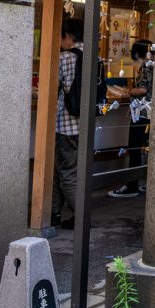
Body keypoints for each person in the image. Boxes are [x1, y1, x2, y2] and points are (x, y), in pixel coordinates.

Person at [51, 20, 85, 230]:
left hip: (66, 126)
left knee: (67, 174)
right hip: (86, 127)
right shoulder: (95, 59)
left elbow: (51, 88)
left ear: (67, 36)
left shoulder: (64, 58)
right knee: (61, 170)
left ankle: (81, 217)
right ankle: (53, 213)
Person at [109, 39, 152, 199]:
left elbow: (143, 89)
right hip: (148, 113)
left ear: (135, 54)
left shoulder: (146, 67)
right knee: (145, 147)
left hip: (141, 114)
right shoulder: (154, 66)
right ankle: (144, 182)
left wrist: (129, 92)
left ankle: (132, 185)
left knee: (134, 148)